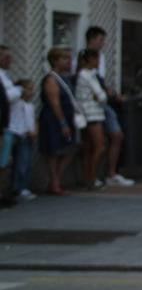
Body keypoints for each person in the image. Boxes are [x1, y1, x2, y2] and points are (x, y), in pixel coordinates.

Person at [84, 26, 134, 187]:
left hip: (102, 102)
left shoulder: (101, 58)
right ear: (91, 39)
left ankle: (109, 174)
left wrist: (109, 92)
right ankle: (91, 177)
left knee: (115, 136)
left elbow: (100, 81)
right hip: (91, 106)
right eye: (101, 40)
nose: (103, 44)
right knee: (95, 144)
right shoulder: (82, 60)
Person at [37, 47, 79, 196]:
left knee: (70, 149)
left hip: (67, 117)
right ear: (55, 61)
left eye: (69, 58)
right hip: (54, 120)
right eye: (64, 58)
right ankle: (55, 182)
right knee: (54, 151)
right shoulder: (51, 79)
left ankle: (55, 180)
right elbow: (55, 103)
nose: (68, 61)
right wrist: (63, 123)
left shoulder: (66, 78)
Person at [74, 48, 109, 190]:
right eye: (96, 59)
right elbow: (101, 96)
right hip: (92, 114)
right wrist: (102, 96)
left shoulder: (86, 74)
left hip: (86, 113)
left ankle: (87, 177)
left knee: (88, 148)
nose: (98, 62)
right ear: (90, 60)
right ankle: (92, 178)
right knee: (99, 146)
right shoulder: (86, 75)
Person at [7, 79, 37, 201]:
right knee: (21, 163)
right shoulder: (16, 103)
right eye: (28, 89)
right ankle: (18, 188)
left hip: (29, 137)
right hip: (20, 135)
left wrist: (34, 131)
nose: (31, 92)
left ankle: (23, 186)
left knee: (28, 163)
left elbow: (32, 121)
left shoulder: (30, 105)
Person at [0, 45, 18, 207]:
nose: (9, 60)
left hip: (7, 125)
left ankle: (4, 193)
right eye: (5, 57)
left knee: (5, 162)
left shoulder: (5, 76)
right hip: (2, 126)